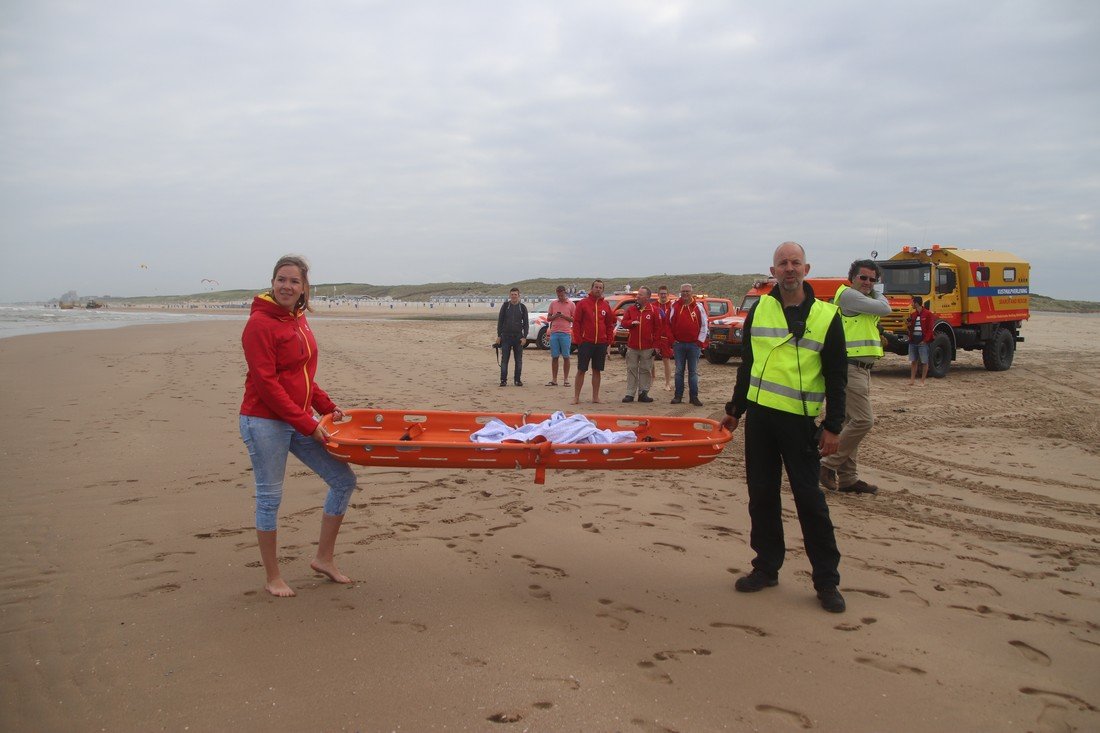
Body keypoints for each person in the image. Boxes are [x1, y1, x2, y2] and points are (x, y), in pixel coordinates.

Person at [721, 242, 848, 613]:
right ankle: (766, 567)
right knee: (761, 497)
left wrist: (833, 426)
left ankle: (827, 582)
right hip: (760, 419)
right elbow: (748, 365)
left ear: (806, 268)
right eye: (782, 263)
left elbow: (837, 375)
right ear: (773, 270)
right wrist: (736, 409)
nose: (789, 268)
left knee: (810, 501)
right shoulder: (760, 308)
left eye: (795, 263)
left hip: (800, 423)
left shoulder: (827, 316)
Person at [239, 255, 358, 597]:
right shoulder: (260, 324)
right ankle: (273, 577)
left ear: (305, 288)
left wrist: (326, 405)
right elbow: (267, 384)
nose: (287, 286)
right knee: (269, 497)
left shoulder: (298, 320)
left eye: (294, 281)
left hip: (298, 417)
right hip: (264, 421)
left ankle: (323, 559)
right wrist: (307, 422)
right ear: (272, 282)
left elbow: (301, 374)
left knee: (342, 480)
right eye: (281, 279)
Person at [819, 260, 892, 496]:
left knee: (849, 423)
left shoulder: (863, 299)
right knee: (863, 421)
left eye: (873, 280)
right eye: (863, 278)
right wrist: (879, 295)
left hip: (862, 368)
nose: (868, 283)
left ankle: (848, 478)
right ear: (852, 277)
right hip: (851, 368)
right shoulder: (849, 296)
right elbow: (886, 308)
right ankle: (826, 465)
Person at [571, 279, 617, 404]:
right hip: (586, 342)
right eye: (596, 287)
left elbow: (609, 324)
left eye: (600, 288)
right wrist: (579, 340)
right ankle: (576, 397)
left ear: (603, 290)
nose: (598, 289)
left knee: (597, 370)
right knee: (581, 369)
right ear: (592, 288)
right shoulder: (583, 303)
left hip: (601, 343)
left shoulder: (605, 305)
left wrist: (609, 341)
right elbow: (576, 323)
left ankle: (595, 397)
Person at [620, 286, 665, 403]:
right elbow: (624, 323)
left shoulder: (654, 310)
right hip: (632, 346)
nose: (637, 296)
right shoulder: (631, 309)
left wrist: (656, 346)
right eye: (638, 294)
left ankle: (643, 393)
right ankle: (630, 393)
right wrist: (631, 323)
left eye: (640, 294)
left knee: (646, 370)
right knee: (631, 369)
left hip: (648, 347)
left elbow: (658, 329)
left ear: (647, 297)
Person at [668, 283, 709, 406]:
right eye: (683, 291)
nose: (685, 294)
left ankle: (694, 397)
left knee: (693, 372)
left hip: (693, 345)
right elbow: (668, 324)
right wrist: (672, 340)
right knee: (679, 371)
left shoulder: (698, 307)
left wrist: (699, 341)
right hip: (679, 345)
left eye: (687, 291)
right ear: (680, 292)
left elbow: (704, 325)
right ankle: (678, 396)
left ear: (691, 292)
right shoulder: (674, 306)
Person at [495, 287, 528, 386]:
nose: (514, 296)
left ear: (519, 295)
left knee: (518, 360)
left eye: (515, 294)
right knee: (504, 359)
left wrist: (524, 337)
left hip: (518, 337)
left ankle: (517, 380)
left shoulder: (522, 307)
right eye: (512, 294)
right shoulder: (505, 306)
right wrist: (499, 336)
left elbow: (526, 323)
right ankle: (503, 380)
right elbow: (500, 321)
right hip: (505, 337)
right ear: (509, 295)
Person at [546, 286, 576, 387]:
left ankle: (566, 379)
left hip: (565, 333)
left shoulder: (571, 304)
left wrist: (564, 316)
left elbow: (575, 319)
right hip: (554, 332)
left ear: (565, 293)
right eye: (558, 295)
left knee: (566, 356)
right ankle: (554, 379)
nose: (560, 296)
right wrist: (555, 316)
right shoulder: (553, 303)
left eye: (562, 294)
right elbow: (548, 318)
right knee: (554, 357)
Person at [907, 295, 935, 385]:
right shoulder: (913, 314)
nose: (911, 304)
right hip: (913, 340)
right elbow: (911, 329)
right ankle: (912, 380)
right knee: (913, 361)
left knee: (924, 361)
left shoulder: (928, 314)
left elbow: (930, 329)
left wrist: (925, 340)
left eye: (912, 302)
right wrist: (908, 325)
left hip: (922, 341)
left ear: (916, 303)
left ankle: (922, 381)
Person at [653, 284, 674, 390]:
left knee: (666, 360)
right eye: (661, 294)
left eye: (665, 294)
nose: (663, 295)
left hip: (666, 337)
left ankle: (668, 383)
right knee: (650, 359)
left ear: (668, 294)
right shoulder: (653, 305)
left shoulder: (672, 305)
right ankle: (652, 379)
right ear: (658, 294)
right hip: (655, 337)